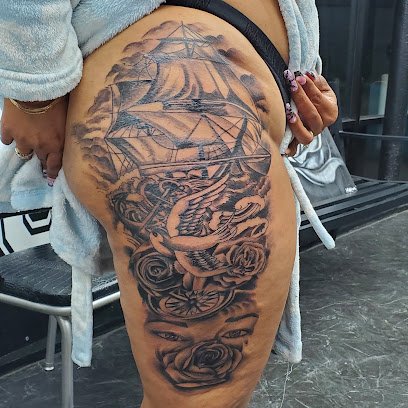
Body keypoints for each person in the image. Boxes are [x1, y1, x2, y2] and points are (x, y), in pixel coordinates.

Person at [0, 1, 338, 407]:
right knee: (203, 398)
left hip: (224, 88)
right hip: (175, 109)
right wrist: (35, 90)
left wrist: (300, 80)